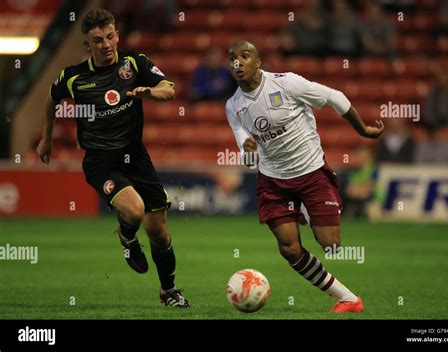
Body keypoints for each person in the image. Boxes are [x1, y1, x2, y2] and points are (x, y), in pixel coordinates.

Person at [36, 8, 190, 307]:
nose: (106, 44)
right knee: (134, 211)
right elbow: (50, 99)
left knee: (158, 231)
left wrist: (149, 93)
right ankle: (128, 238)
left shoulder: (134, 64)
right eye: (98, 39)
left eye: (109, 37)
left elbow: (168, 89)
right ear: (87, 45)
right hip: (100, 161)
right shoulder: (73, 78)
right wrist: (46, 137)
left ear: (117, 35)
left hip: (136, 157)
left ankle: (169, 291)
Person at [225, 40, 384, 313]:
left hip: (311, 172)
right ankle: (347, 298)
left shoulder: (287, 84)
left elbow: (334, 97)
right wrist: (248, 151)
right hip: (273, 181)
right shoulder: (233, 106)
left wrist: (362, 130)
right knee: (289, 249)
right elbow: (247, 154)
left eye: (245, 56)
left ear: (259, 62)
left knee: (331, 245)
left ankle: (312, 212)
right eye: (232, 58)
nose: (237, 62)